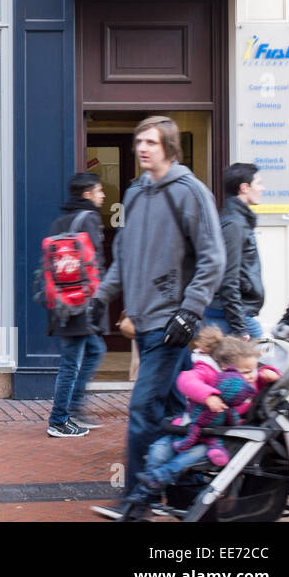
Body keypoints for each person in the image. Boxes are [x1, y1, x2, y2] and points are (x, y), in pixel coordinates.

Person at [88, 115, 225, 501]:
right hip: (144, 323)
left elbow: (213, 259)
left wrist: (190, 310)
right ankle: (186, 491)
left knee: (142, 410)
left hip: (171, 325)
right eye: (139, 141)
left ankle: (136, 497)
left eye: (150, 142)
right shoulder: (135, 193)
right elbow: (124, 258)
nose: (142, 148)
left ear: (169, 147)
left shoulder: (190, 192)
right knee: (176, 412)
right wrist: (99, 297)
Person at [118, 327, 278, 520]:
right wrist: (208, 395)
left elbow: (264, 375)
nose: (252, 376)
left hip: (219, 439)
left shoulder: (253, 381)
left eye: (253, 369)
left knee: (188, 458)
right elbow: (186, 380)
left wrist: (270, 373)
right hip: (191, 429)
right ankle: (148, 495)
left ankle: (157, 480)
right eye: (246, 372)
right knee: (158, 450)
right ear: (225, 368)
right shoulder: (208, 371)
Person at [45, 173, 108, 438]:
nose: (102, 195)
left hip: (62, 301)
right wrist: (100, 298)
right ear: (87, 194)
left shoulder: (60, 221)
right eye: (99, 191)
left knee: (94, 350)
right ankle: (59, 419)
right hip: (81, 302)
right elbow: (96, 263)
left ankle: (73, 407)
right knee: (70, 362)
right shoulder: (89, 219)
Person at [206, 163, 265, 340]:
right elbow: (228, 278)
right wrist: (240, 328)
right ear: (244, 188)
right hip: (230, 317)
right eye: (259, 183)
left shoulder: (237, 220)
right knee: (263, 364)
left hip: (230, 315)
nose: (263, 188)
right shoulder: (234, 224)